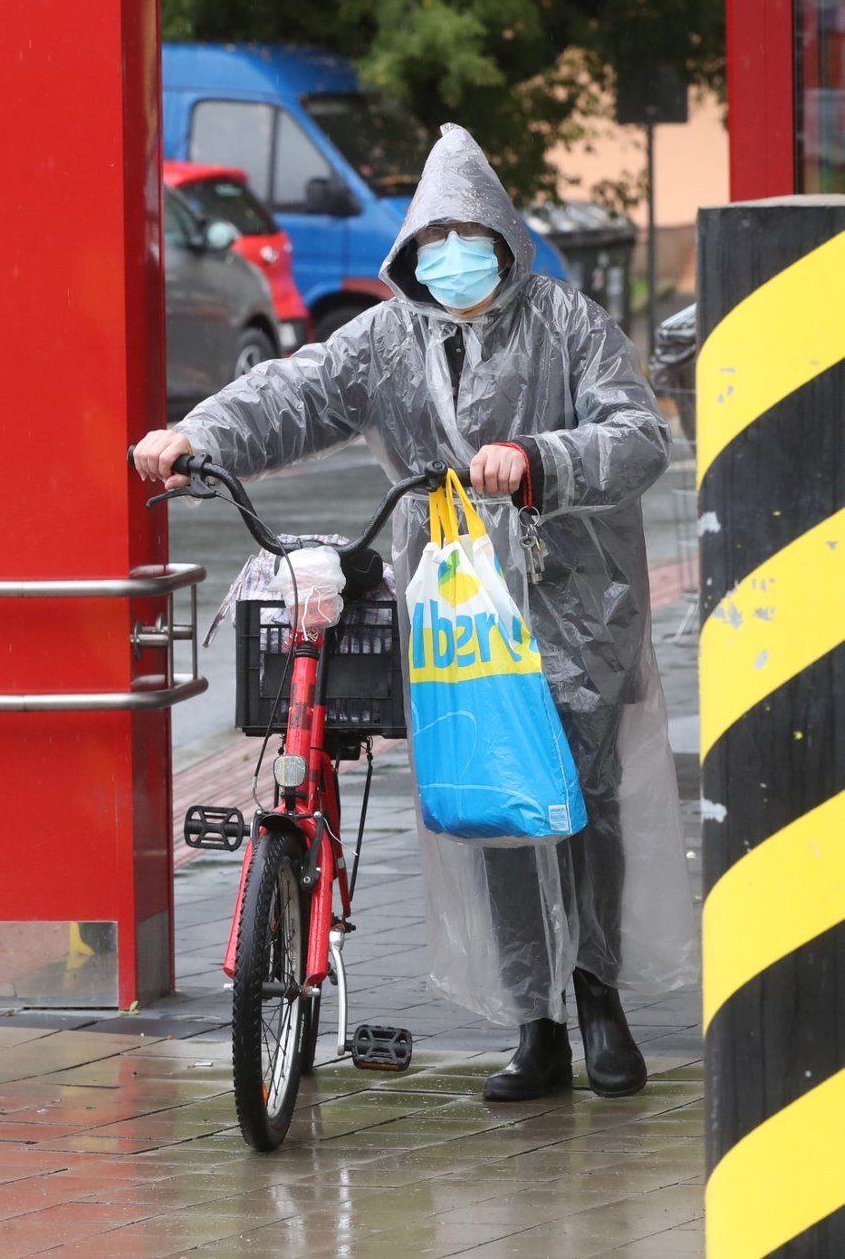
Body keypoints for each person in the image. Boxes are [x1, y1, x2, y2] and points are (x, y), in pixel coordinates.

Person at [133, 123, 697, 1101]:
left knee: (583, 802)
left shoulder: (569, 325)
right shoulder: (389, 338)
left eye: (468, 233)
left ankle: (598, 994)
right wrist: (196, 433)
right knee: (495, 804)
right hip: (460, 613)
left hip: (576, 604)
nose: (452, 255)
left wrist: (540, 458)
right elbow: (291, 392)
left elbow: (638, 433)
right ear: (409, 253)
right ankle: (537, 1022)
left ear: (505, 238)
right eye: (431, 238)